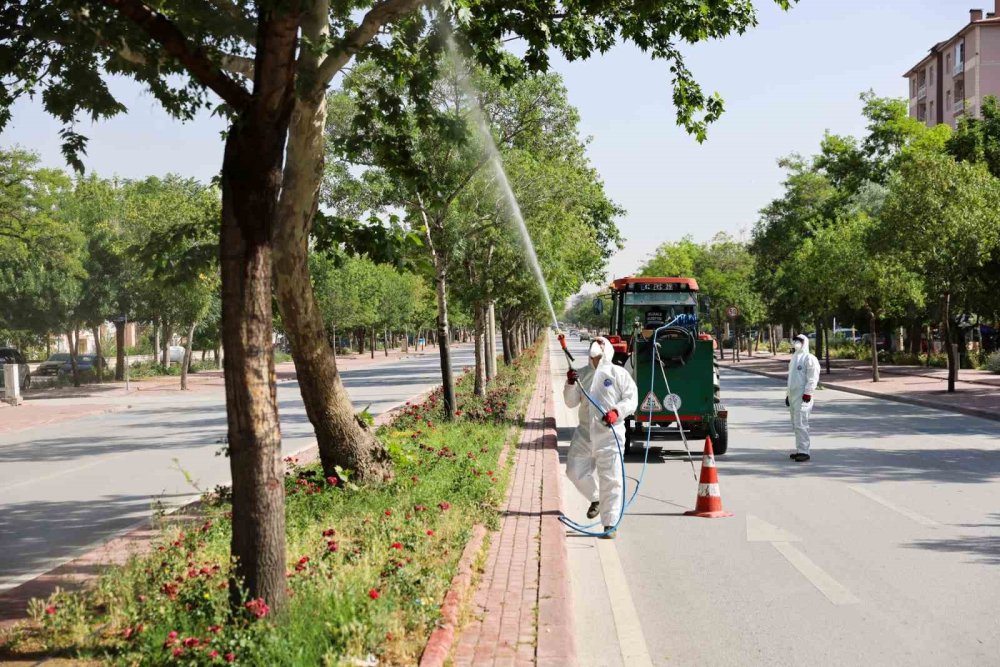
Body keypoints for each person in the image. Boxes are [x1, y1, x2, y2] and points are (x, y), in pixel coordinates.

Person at [563, 336, 639, 538]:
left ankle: (610, 524)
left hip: (610, 435)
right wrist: (570, 384)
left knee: (611, 479)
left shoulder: (618, 374)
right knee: (573, 470)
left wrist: (617, 412)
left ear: (608, 350)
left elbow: (631, 399)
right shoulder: (580, 375)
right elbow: (570, 403)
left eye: (600, 343)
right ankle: (595, 497)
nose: (595, 346)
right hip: (585, 433)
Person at [786, 333, 820, 462]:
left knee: (801, 423)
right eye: (795, 340)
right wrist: (787, 395)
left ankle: (804, 451)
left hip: (803, 396)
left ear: (804, 342)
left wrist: (808, 393)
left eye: (799, 341)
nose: (796, 343)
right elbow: (791, 379)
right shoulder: (794, 358)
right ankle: (799, 449)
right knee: (795, 424)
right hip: (793, 395)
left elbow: (813, 378)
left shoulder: (809, 358)